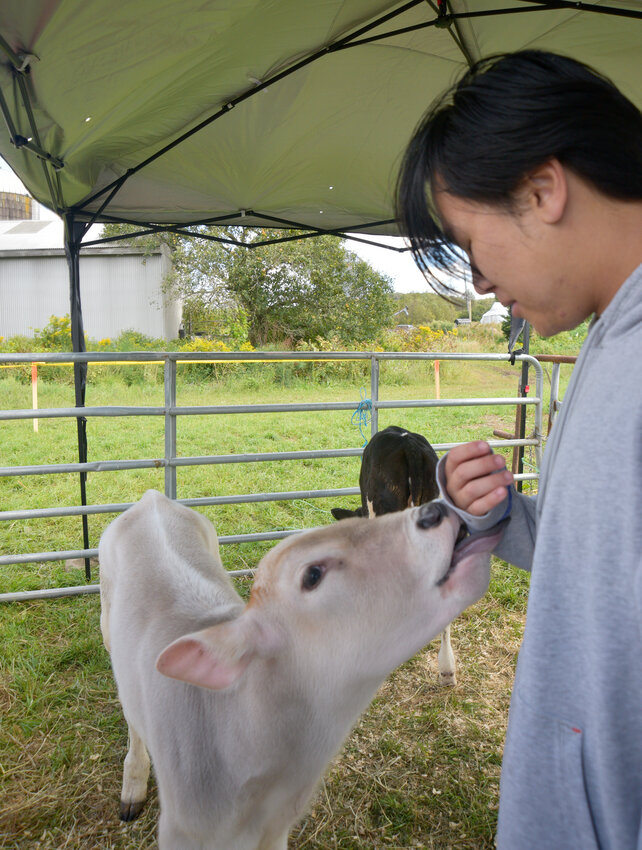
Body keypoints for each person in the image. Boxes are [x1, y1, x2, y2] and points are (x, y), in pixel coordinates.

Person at [396, 50, 642, 849]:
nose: (482, 282)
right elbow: (603, 563)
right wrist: (507, 516)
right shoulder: (610, 342)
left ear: (542, 189)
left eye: (471, 242)